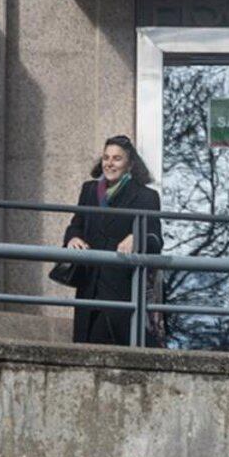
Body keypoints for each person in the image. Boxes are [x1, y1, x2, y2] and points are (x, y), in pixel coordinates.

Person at [63, 135, 162, 346]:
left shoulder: (146, 196)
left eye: (117, 158)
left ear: (130, 164)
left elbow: (155, 240)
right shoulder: (89, 190)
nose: (109, 163)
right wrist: (73, 238)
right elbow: (76, 224)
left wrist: (137, 237)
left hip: (121, 292)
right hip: (88, 289)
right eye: (106, 157)